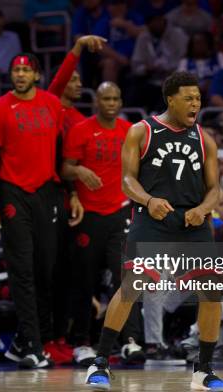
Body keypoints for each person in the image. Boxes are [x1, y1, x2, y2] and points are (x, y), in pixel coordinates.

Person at [85, 72, 223, 392]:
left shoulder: (205, 139)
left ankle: (203, 369)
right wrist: (148, 201)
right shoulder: (142, 131)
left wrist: (203, 210)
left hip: (192, 222)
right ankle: (101, 362)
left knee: (212, 292)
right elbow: (127, 181)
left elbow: (215, 190)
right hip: (152, 218)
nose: (196, 104)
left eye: (198, 99)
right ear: (171, 99)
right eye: (189, 98)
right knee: (133, 285)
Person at [0, 53, 63, 369]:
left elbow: (60, 150)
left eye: (26, 70)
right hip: (12, 193)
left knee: (46, 268)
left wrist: (69, 194)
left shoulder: (52, 104)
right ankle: (33, 344)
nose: (20, 74)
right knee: (22, 271)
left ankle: (24, 341)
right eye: (16, 70)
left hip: (46, 192)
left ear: (37, 75)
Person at [62, 82, 142, 366]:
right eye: (105, 98)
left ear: (121, 102)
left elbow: (140, 169)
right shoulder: (80, 131)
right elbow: (64, 167)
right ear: (96, 101)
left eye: (115, 98)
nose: (111, 103)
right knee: (85, 280)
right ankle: (81, 342)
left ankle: (130, 341)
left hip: (119, 213)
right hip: (88, 215)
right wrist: (79, 170)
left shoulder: (130, 131)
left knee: (126, 279)